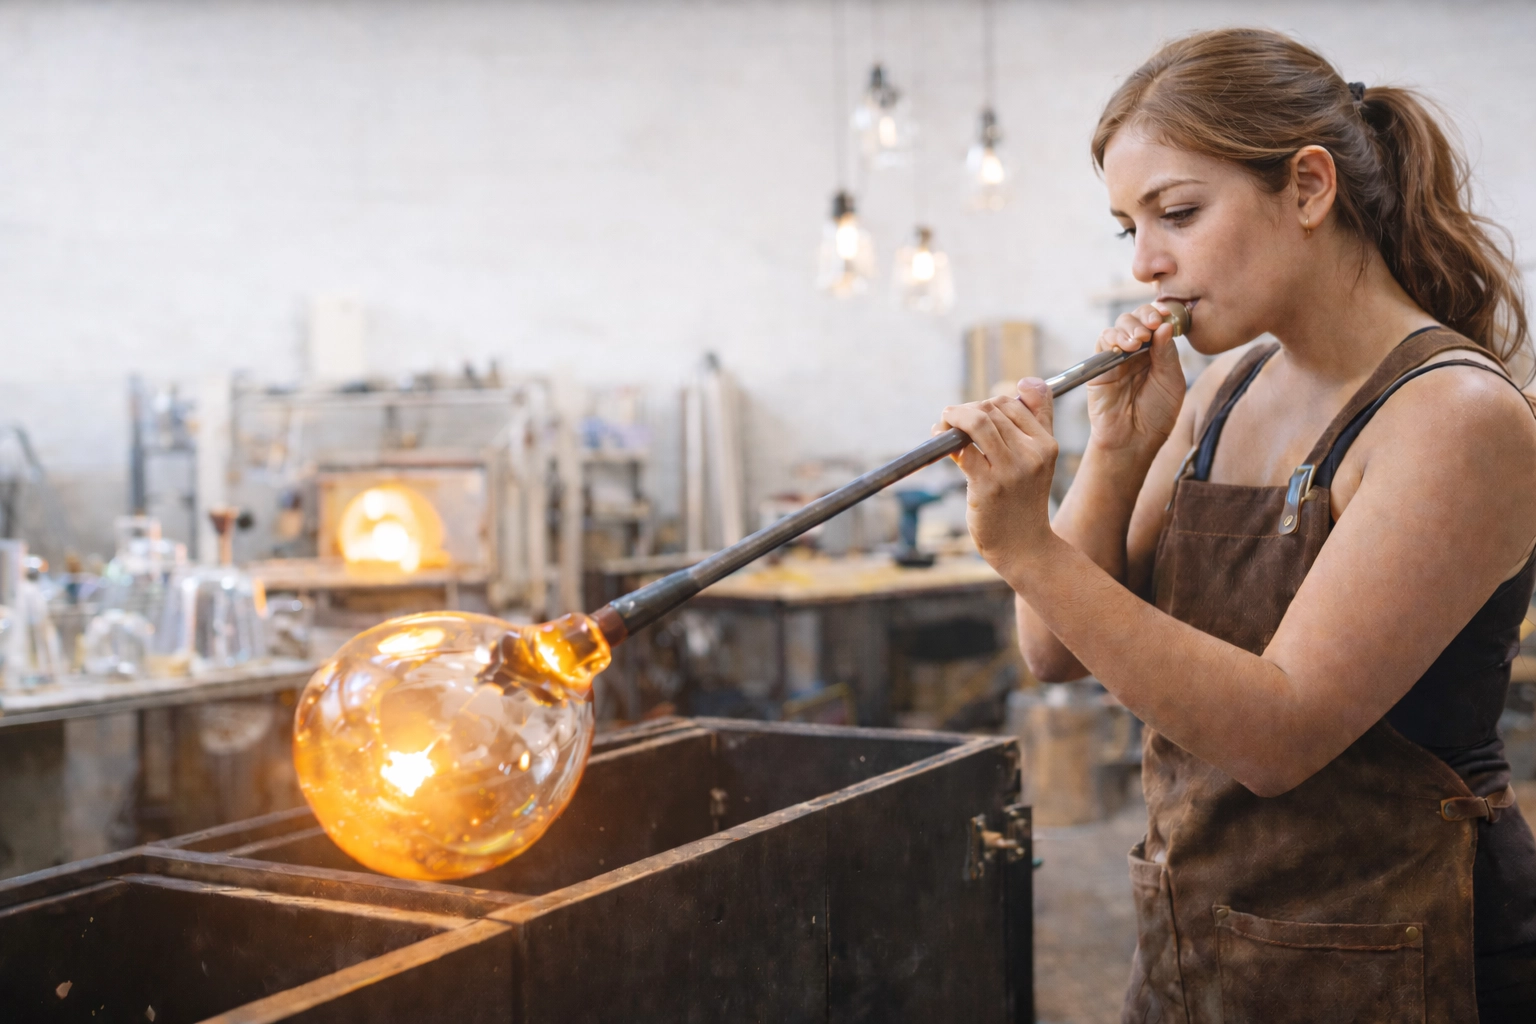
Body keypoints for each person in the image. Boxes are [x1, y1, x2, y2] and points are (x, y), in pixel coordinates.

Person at [938, 28, 1536, 1023]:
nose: (1144, 263)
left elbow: (1279, 732)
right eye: (1125, 226)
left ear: (1308, 188)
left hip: (1408, 951)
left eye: (1176, 212)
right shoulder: (1227, 387)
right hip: (1202, 941)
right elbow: (1052, 648)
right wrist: (1119, 449)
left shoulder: (1452, 415)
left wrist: (1021, 542)